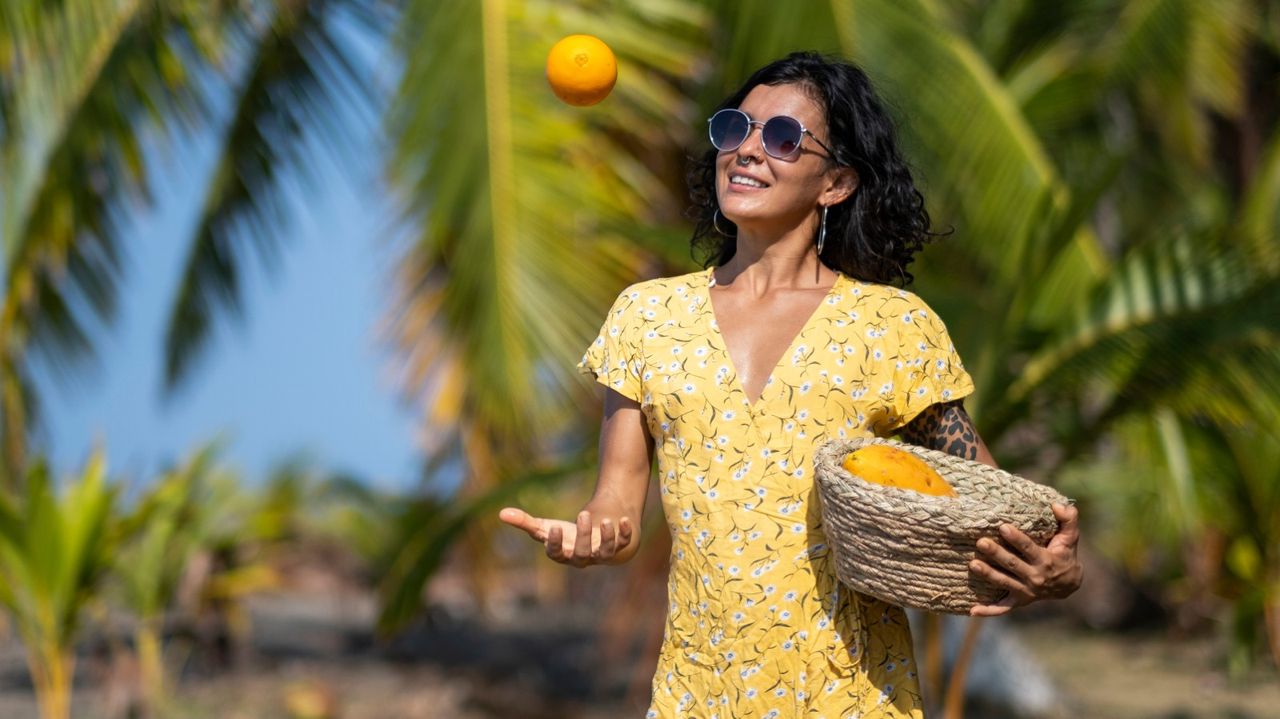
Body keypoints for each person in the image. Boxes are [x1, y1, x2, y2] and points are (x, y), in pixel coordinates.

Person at [500, 51, 1082, 718]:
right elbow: (619, 507)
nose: (747, 151)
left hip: (853, 698)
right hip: (698, 695)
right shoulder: (646, 318)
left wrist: (1057, 569)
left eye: (779, 137)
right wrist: (592, 533)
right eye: (734, 129)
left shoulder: (891, 327)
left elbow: (987, 503)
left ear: (835, 183)